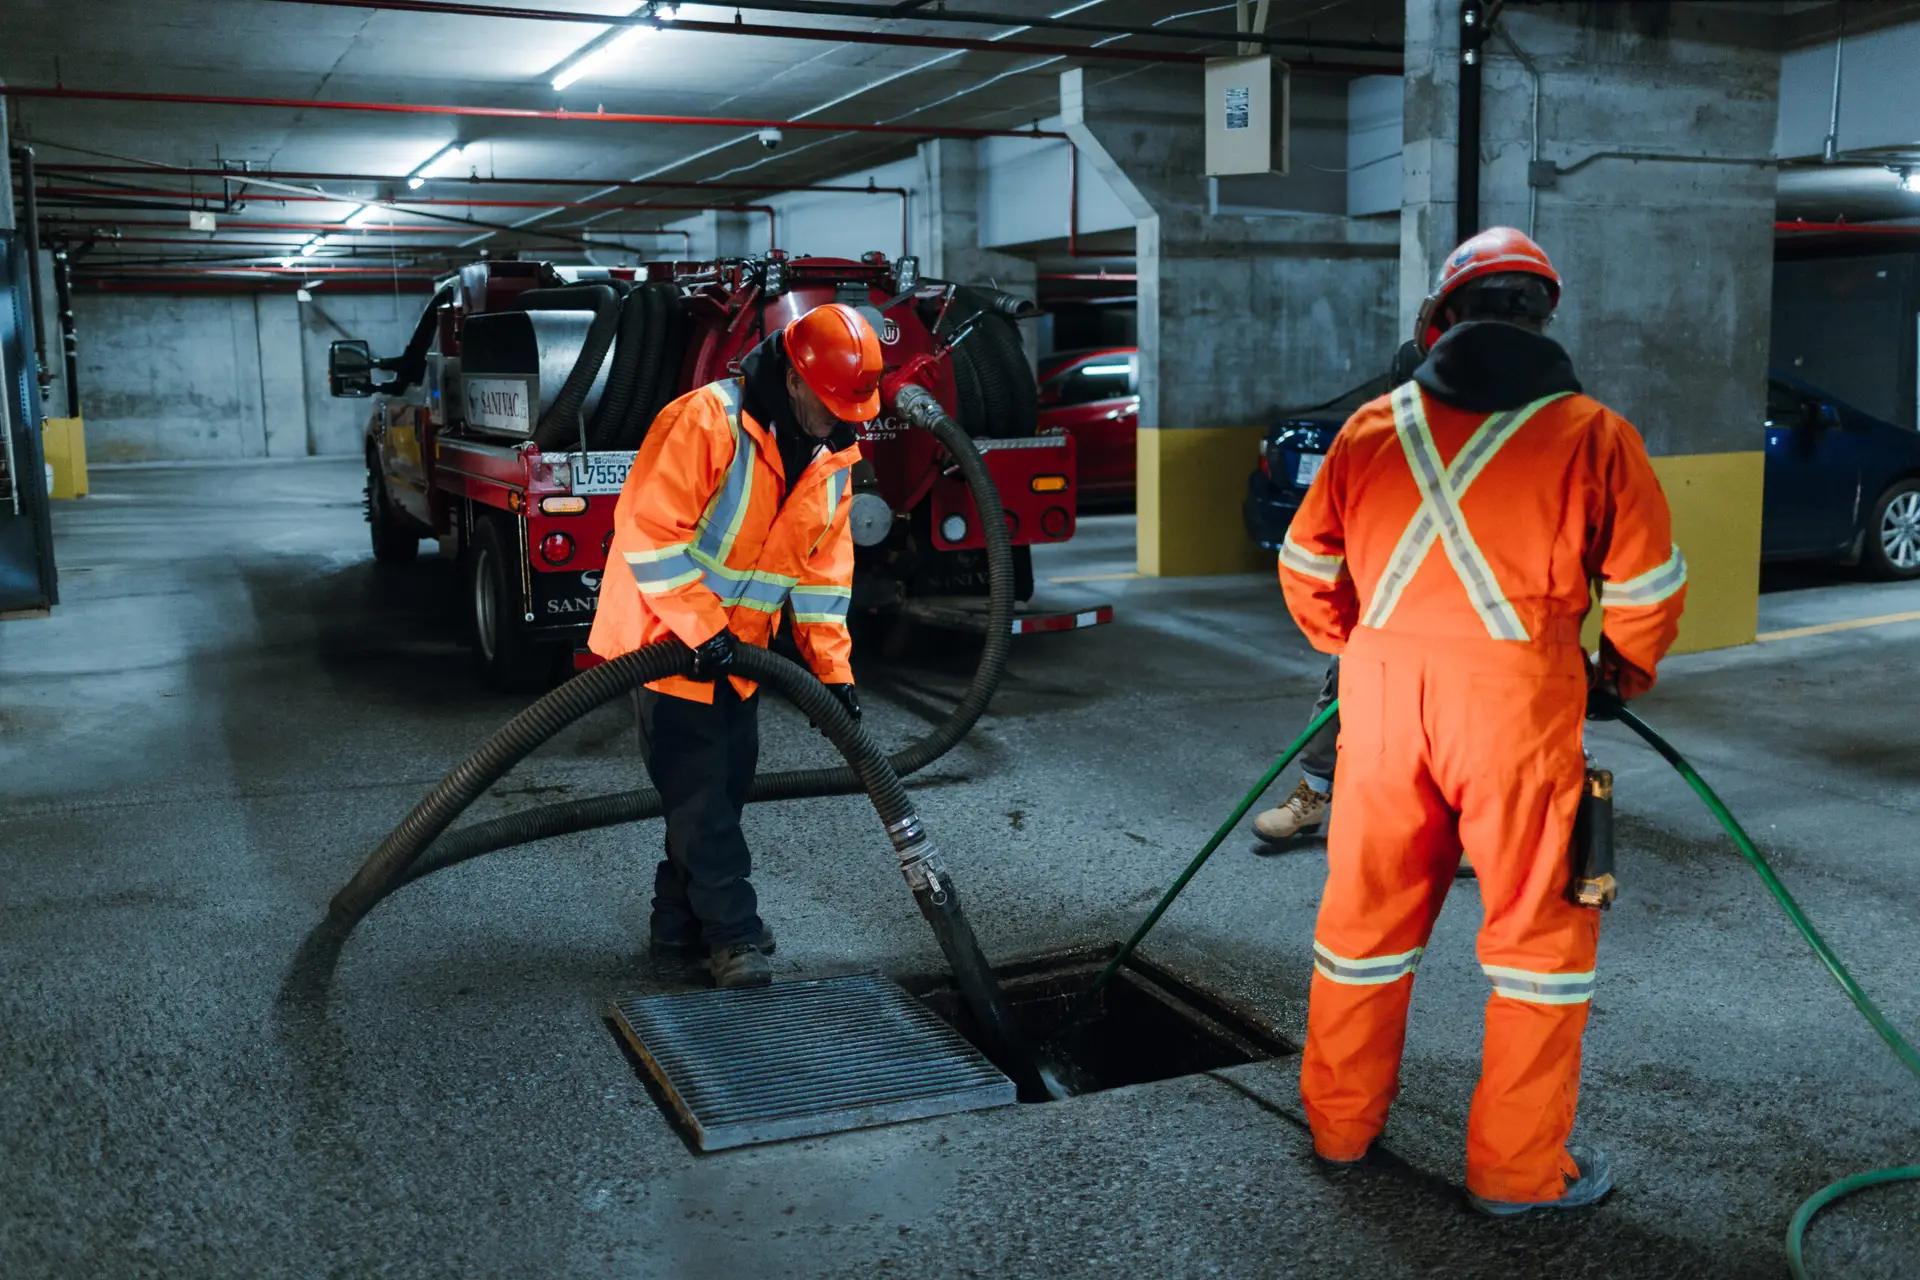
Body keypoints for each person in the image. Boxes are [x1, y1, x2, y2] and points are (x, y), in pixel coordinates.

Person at [1276, 227, 1687, 1215]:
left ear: (1440, 322)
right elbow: (1646, 591)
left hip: (1379, 711)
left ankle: (1339, 1125)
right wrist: (1618, 674)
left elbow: (1305, 571)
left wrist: (1353, 646)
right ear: (1544, 317)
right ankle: (1515, 1170)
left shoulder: (1373, 427)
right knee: (1539, 945)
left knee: (1363, 924)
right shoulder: (1596, 434)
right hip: (1517, 715)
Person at [588, 303, 878, 989]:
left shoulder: (832, 458)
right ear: (797, 379)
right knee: (702, 803)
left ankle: (675, 932)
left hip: (735, 655)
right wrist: (699, 627)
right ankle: (733, 936)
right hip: (669, 644)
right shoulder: (705, 420)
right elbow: (649, 535)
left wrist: (831, 673)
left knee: (718, 792)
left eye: (852, 407)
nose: (841, 418)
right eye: (832, 402)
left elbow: (821, 577)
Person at [1254, 340, 1423, 846]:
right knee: (1341, 689)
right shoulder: (1374, 444)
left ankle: (1458, 828)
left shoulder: (1501, 448)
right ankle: (1312, 795)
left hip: (1465, 627)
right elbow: (1312, 549)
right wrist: (1341, 637)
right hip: (1380, 615)